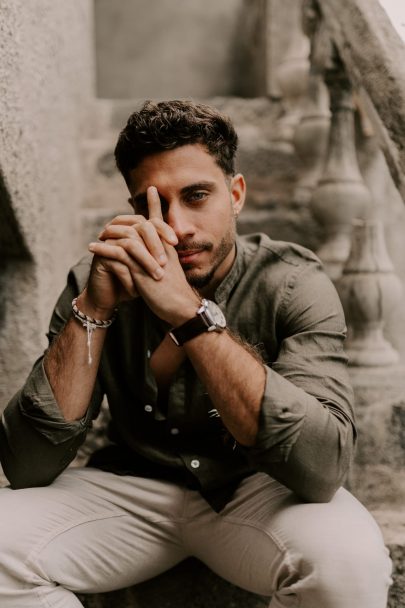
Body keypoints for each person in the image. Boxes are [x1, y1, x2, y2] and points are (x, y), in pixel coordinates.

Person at [0, 100, 391, 607]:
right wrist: (93, 309)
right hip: (131, 491)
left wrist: (191, 314)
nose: (177, 227)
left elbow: (321, 468)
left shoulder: (292, 282)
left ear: (236, 194)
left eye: (197, 195)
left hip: (259, 492)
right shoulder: (98, 279)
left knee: (349, 567)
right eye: (154, 203)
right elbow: (27, 466)